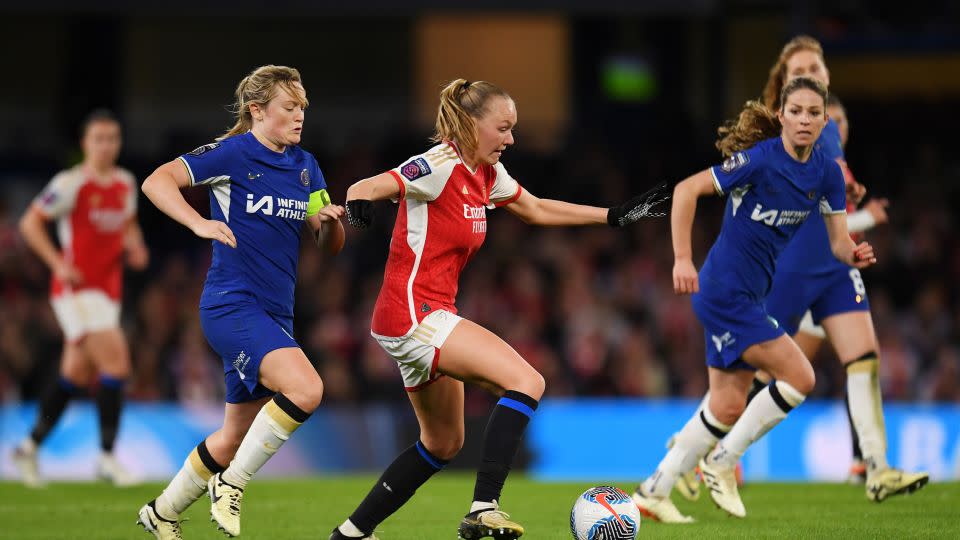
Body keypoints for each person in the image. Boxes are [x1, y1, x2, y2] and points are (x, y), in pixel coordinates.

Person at [330, 79, 669, 540]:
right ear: (472, 125)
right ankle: (484, 507)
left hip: (419, 315)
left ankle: (351, 533)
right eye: (503, 128)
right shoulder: (439, 163)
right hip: (415, 314)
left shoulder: (486, 174)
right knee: (528, 380)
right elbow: (370, 184)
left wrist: (613, 215)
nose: (511, 139)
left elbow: (535, 208)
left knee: (443, 443)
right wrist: (358, 202)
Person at [631, 76, 875, 523]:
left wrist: (853, 252)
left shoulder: (826, 173)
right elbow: (686, 190)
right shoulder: (759, 161)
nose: (804, 120)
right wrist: (682, 259)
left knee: (726, 404)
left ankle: (654, 490)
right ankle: (722, 461)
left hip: (748, 296)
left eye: (813, 113)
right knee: (800, 376)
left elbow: (839, 241)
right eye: (796, 111)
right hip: (725, 292)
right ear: (781, 115)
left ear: (826, 122)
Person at [135, 65, 345, 540]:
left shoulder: (306, 166)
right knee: (307, 389)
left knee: (232, 437)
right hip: (232, 305)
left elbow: (326, 243)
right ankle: (231, 485)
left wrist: (330, 222)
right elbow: (156, 181)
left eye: (302, 108)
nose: (299, 117)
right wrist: (198, 224)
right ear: (257, 110)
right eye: (289, 107)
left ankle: (161, 512)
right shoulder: (231, 153)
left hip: (275, 313)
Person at [758, 36, 926, 497]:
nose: (810, 72)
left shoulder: (825, 127)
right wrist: (864, 211)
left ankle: (873, 467)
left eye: (817, 64)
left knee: (862, 358)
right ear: (785, 85)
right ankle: (710, 453)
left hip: (830, 267)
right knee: (764, 373)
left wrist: (848, 193)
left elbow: (832, 192)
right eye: (800, 69)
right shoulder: (785, 135)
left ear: (827, 76)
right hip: (790, 268)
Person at [12, 110, 148, 488]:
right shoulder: (71, 183)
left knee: (75, 374)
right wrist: (58, 262)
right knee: (118, 365)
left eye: (113, 138)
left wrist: (135, 246)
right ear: (85, 144)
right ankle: (106, 458)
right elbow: (29, 222)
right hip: (76, 290)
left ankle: (28, 447)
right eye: (99, 139)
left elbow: (129, 224)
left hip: (108, 291)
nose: (107, 146)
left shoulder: (124, 182)